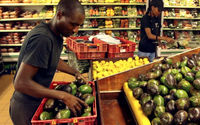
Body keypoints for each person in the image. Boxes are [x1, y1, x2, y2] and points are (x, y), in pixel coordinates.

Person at [9, 0, 88, 125]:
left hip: (36, 99)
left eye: (79, 25)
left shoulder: (55, 35)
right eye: (73, 24)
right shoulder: (43, 39)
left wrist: (75, 72)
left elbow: (51, 59)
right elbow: (20, 83)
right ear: (59, 15)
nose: (76, 30)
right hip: (26, 106)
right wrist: (63, 96)